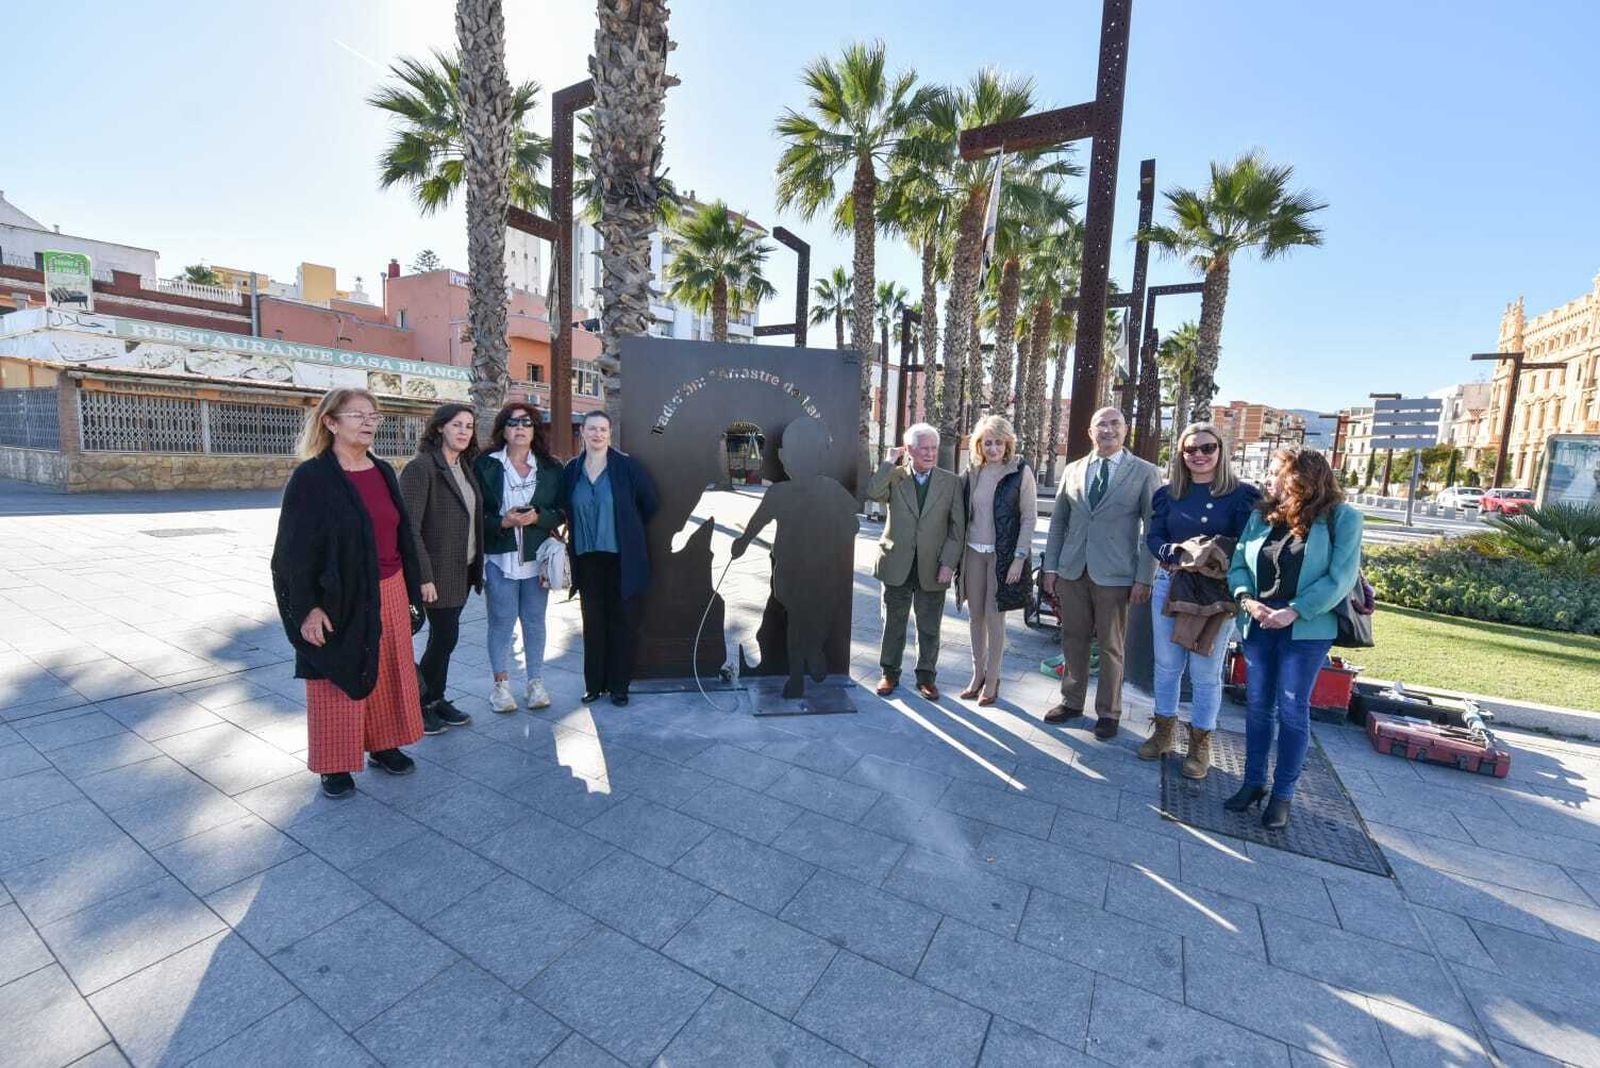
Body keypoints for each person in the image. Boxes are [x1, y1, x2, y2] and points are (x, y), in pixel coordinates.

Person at [270, 388, 426, 799]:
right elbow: (292, 552)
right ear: (331, 422)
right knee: (335, 674)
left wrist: (415, 583)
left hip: (390, 588)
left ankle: (384, 743)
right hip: (338, 597)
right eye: (358, 415)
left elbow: (401, 532)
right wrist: (307, 608)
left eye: (374, 415)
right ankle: (334, 764)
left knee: (388, 669)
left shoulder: (383, 470)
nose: (369, 422)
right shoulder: (312, 478)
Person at [1226, 446, 1364, 830]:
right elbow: (1239, 563)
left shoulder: (1342, 518)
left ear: (1301, 477)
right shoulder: (1262, 515)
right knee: (1257, 706)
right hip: (1259, 622)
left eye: (1275, 472)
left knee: (1291, 708)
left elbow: (1340, 578)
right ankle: (1253, 782)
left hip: (1306, 627)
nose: (1268, 479)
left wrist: (1295, 610)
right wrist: (1247, 600)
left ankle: (1282, 794)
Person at [1139, 422, 1261, 777]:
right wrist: (1175, 552)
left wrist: (1213, 554)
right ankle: (1163, 734)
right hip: (1172, 583)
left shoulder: (1242, 495)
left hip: (1215, 592)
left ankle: (1200, 744)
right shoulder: (1168, 494)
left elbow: (1249, 543)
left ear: (1221, 450)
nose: (1199, 455)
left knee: (1205, 671)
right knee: (1166, 664)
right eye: (1190, 449)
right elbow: (1154, 536)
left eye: (1207, 448)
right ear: (1181, 454)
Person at [1040, 406, 1161, 739]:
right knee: (1073, 639)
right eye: (1101, 425)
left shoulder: (1145, 472)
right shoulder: (1074, 470)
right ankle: (1071, 701)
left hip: (1117, 575)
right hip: (1073, 571)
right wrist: (1051, 567)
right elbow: (1059, 522)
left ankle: (1108, 712)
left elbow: (1152, 529)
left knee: (1111, 645)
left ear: (1125, 430)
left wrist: (1145, 577)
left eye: (1115, 424)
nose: (1108, 430)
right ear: (1090, 432)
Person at [730, 417, 860, 698]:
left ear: (783, 457)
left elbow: (852, 523)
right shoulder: (822, 490)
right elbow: (853, 525)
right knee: (806, 620)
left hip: (804, 570)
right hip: (805, 570)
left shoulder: (799, 491)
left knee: (801, 622)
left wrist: (742, 542)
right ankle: (803, 666)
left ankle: (805, 661)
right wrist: (742, 542)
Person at [560, 410, 659, 706]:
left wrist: (627, 528)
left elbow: (650, 503)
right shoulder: (572, 469)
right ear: (583, 432)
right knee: (592, 622)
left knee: (622, 622)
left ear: (609, 433)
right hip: (587, 558)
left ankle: (619, 686)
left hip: (621, 559)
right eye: (592, 429)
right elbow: (563, 505)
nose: (597, 434)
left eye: (603, 429)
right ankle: (594, 685)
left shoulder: (627, 467)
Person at [399, 403, 484, 735]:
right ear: (439, 428)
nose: (464, 431)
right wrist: (424, 576)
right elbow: (409, 528)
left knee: (444, 638)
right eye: (456, 425)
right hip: (436, 574)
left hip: (463, 569)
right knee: (445, 637)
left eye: (469, 426)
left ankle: (435, 698)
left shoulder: (464, 466)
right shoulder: (421, 468)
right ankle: (419, 701)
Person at [865, 422, 965, 700]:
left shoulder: (951, 482)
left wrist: (949, 563)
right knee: (893, 623)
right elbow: (872, 492)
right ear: (909, 450)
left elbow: (957, 529)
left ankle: (926, 678)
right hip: (896, 562)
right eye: (924, 449)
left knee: (929, 626)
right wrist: (888, 462)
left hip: (933, 566)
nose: (930, 454)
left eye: (934, 448)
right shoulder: (895, 476)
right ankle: (889, 673)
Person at [475, 403, 565, 713]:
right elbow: (473, 513)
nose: (520, 428)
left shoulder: (551, 468)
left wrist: (538, 517)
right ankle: (500, 687)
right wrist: (503, 521)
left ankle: (535, 682)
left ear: (535, 429)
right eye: (513, 423)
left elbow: (561, 511)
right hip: (499, 557)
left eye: (526, 423)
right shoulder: (485, 465)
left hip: (537, 557)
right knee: (501, 621)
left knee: (534, 621)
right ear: (503, 430)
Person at [955, 415, 1037, 705]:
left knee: (994, 616)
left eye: (998, 442)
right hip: (973, 554)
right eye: (987, 443)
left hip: (1002, 557)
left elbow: (1029, 518)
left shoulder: (1020, 472)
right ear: (979, 445)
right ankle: (977, 674)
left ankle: (993, 679)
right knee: (975, 616)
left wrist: (1018, 559)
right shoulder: (972, 472)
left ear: (1008, 444)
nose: (993, 448)